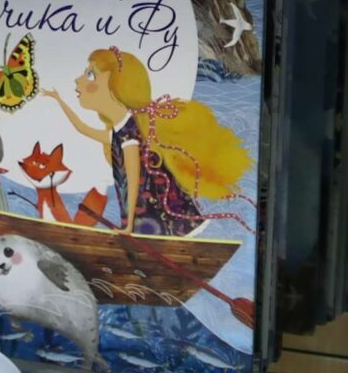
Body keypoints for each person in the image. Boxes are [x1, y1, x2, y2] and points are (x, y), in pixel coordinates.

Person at [49, 46, 250, 237]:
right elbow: (83, 129)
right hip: (144, 217)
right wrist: (58, 100)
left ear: (115, 86)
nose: (78, 80)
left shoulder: (129, 134)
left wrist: (128, 225)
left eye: (91, 75)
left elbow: (133, 180)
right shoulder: (119, 129)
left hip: (156, 217)